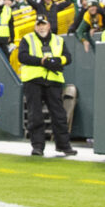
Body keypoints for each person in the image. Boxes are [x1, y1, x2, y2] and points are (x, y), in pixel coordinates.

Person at [16, 16, 77, 157]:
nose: (41, 27)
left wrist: (57, 60)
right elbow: (22, 57)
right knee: (35, 115)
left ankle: (63, 145)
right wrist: (42, 61)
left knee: (59, 115)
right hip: (34, 80)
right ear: (35, 27)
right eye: (39, 25)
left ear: (49, 26)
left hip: (53, 80)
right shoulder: (27, 38)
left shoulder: (58, 40)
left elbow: (68, 57)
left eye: (44, 25)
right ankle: (37, 147)